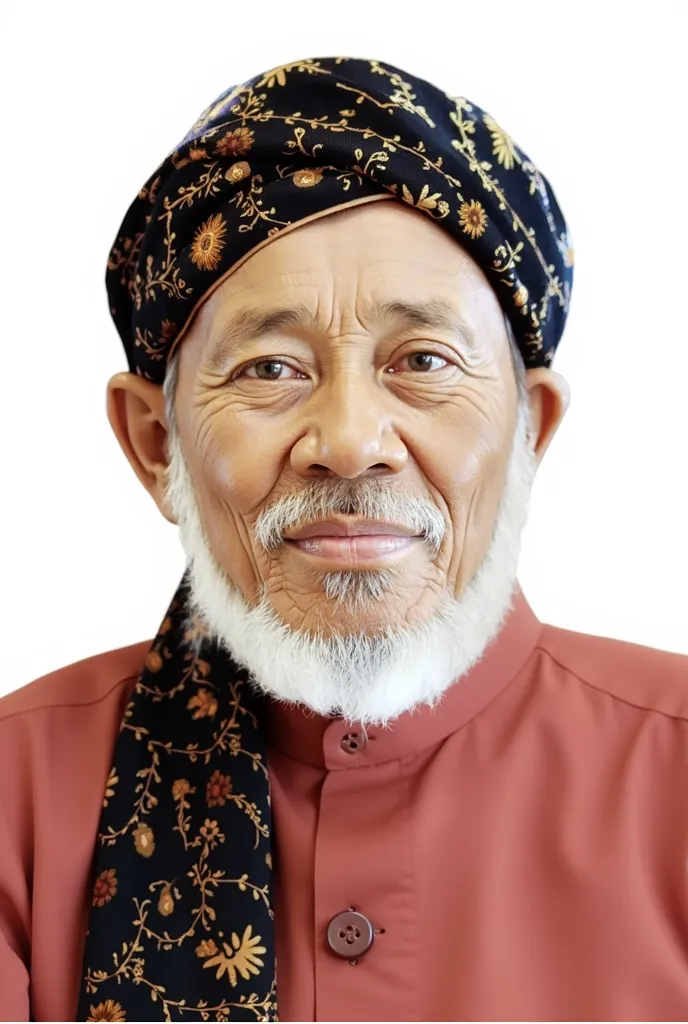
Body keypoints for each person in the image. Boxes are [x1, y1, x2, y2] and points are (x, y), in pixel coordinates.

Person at [0, 55, 686, 1024]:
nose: (351, 444)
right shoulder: (14, 795)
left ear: (529, 429)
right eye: (270, 366)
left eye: (424, 361)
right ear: (156, 443)